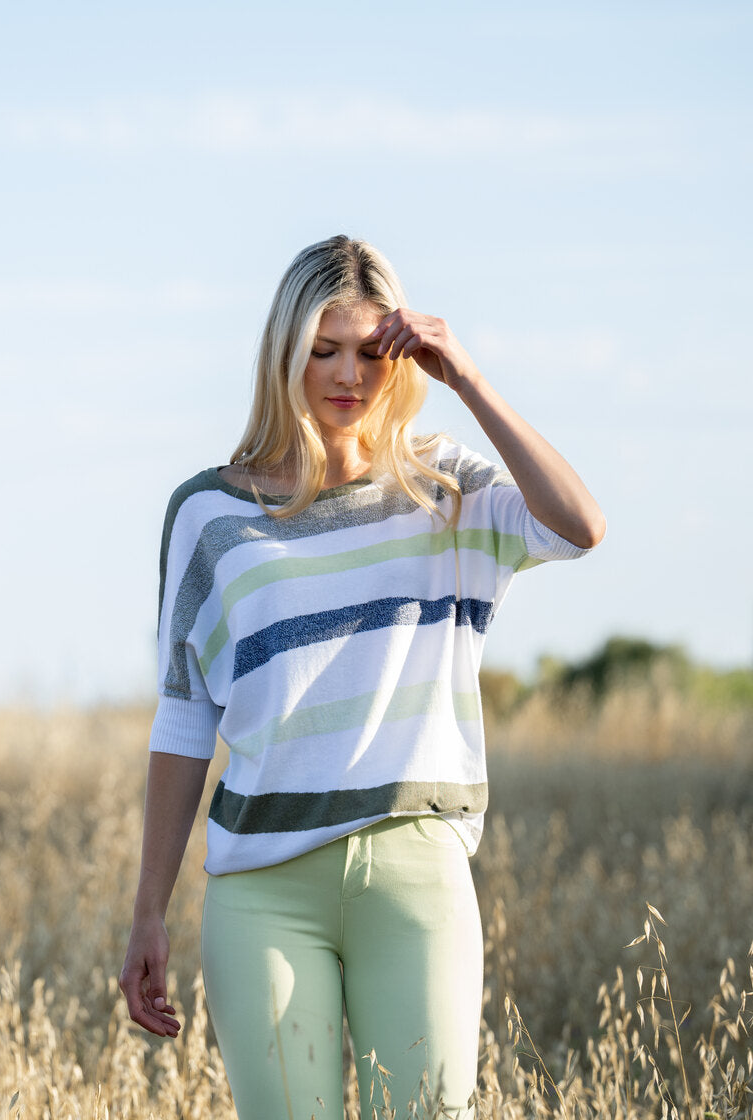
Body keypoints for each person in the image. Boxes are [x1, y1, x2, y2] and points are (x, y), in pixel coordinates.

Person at [118, 235, 604, 1120]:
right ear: (284, 355)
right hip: (261, 893)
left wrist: (471, 380)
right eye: (323, 350)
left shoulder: (444, 488)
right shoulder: (208, 515)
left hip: (415, 874)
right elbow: (185, 720)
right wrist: (147, 911)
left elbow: (578, 526)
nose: (349, 376)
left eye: (371, 353)